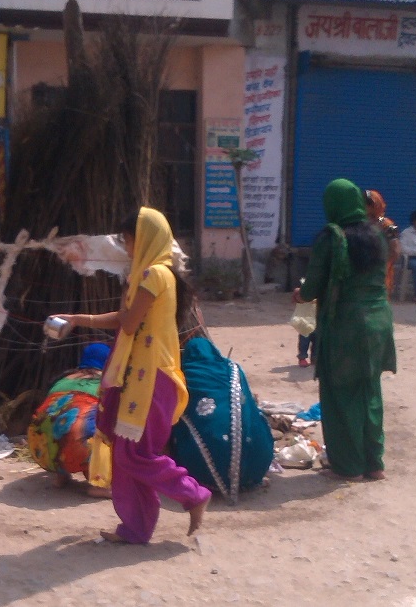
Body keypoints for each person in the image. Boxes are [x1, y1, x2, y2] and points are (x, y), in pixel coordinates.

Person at [53, 207, 211, 543]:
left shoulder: (152, 276)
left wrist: (81, 319)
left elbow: (127, 322)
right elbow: (127, 318)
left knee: (135, 454)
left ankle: (193, 494)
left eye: (128, 241)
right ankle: (136, 528)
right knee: (126, 454)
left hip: (151, 378)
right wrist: (79, 319)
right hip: (141, 376)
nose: (125, 249)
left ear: (145, 240)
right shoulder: (158, 274)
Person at [293, 179, 396, 481]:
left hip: (345, 325)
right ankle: (374, 464)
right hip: (378, 322)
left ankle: (348, 466)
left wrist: (301, 294)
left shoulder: (331, 238)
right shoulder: (378, 235)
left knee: (340, 394)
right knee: (369, 390)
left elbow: (312, 287)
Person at [170, 337, 274, 497]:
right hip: (257, 466)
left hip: (204, 470)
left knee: (178, 421)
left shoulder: (185, 376)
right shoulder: (233, 369)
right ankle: (245, 477)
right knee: (254, 416)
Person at [28, 343, 112, 492]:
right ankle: (99, 485)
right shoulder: (107, 385)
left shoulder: (62, 380)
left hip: (40, 450)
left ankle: (61, 476)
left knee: (58, 425)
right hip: (77, 450)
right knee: (110, 429)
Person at [364, 189, 400, 297]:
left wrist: (385, 265)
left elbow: (396, 250)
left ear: (375, 205)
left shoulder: (388, 225)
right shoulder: (360, 222)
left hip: (381, 270)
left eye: (367, 204)